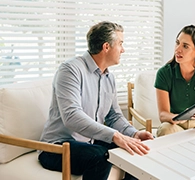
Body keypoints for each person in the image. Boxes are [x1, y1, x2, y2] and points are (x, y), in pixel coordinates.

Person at [38, 21, 153, 180]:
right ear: (106, 47)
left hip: (90, 143)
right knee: (100, 156)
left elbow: (114, 116)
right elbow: (72, 116)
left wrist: (134, 134)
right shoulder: (70, 70)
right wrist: (115, 136)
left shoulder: (109, 77)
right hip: (56, 148)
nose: (123, 50)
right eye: (120, 44)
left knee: (137, 149)